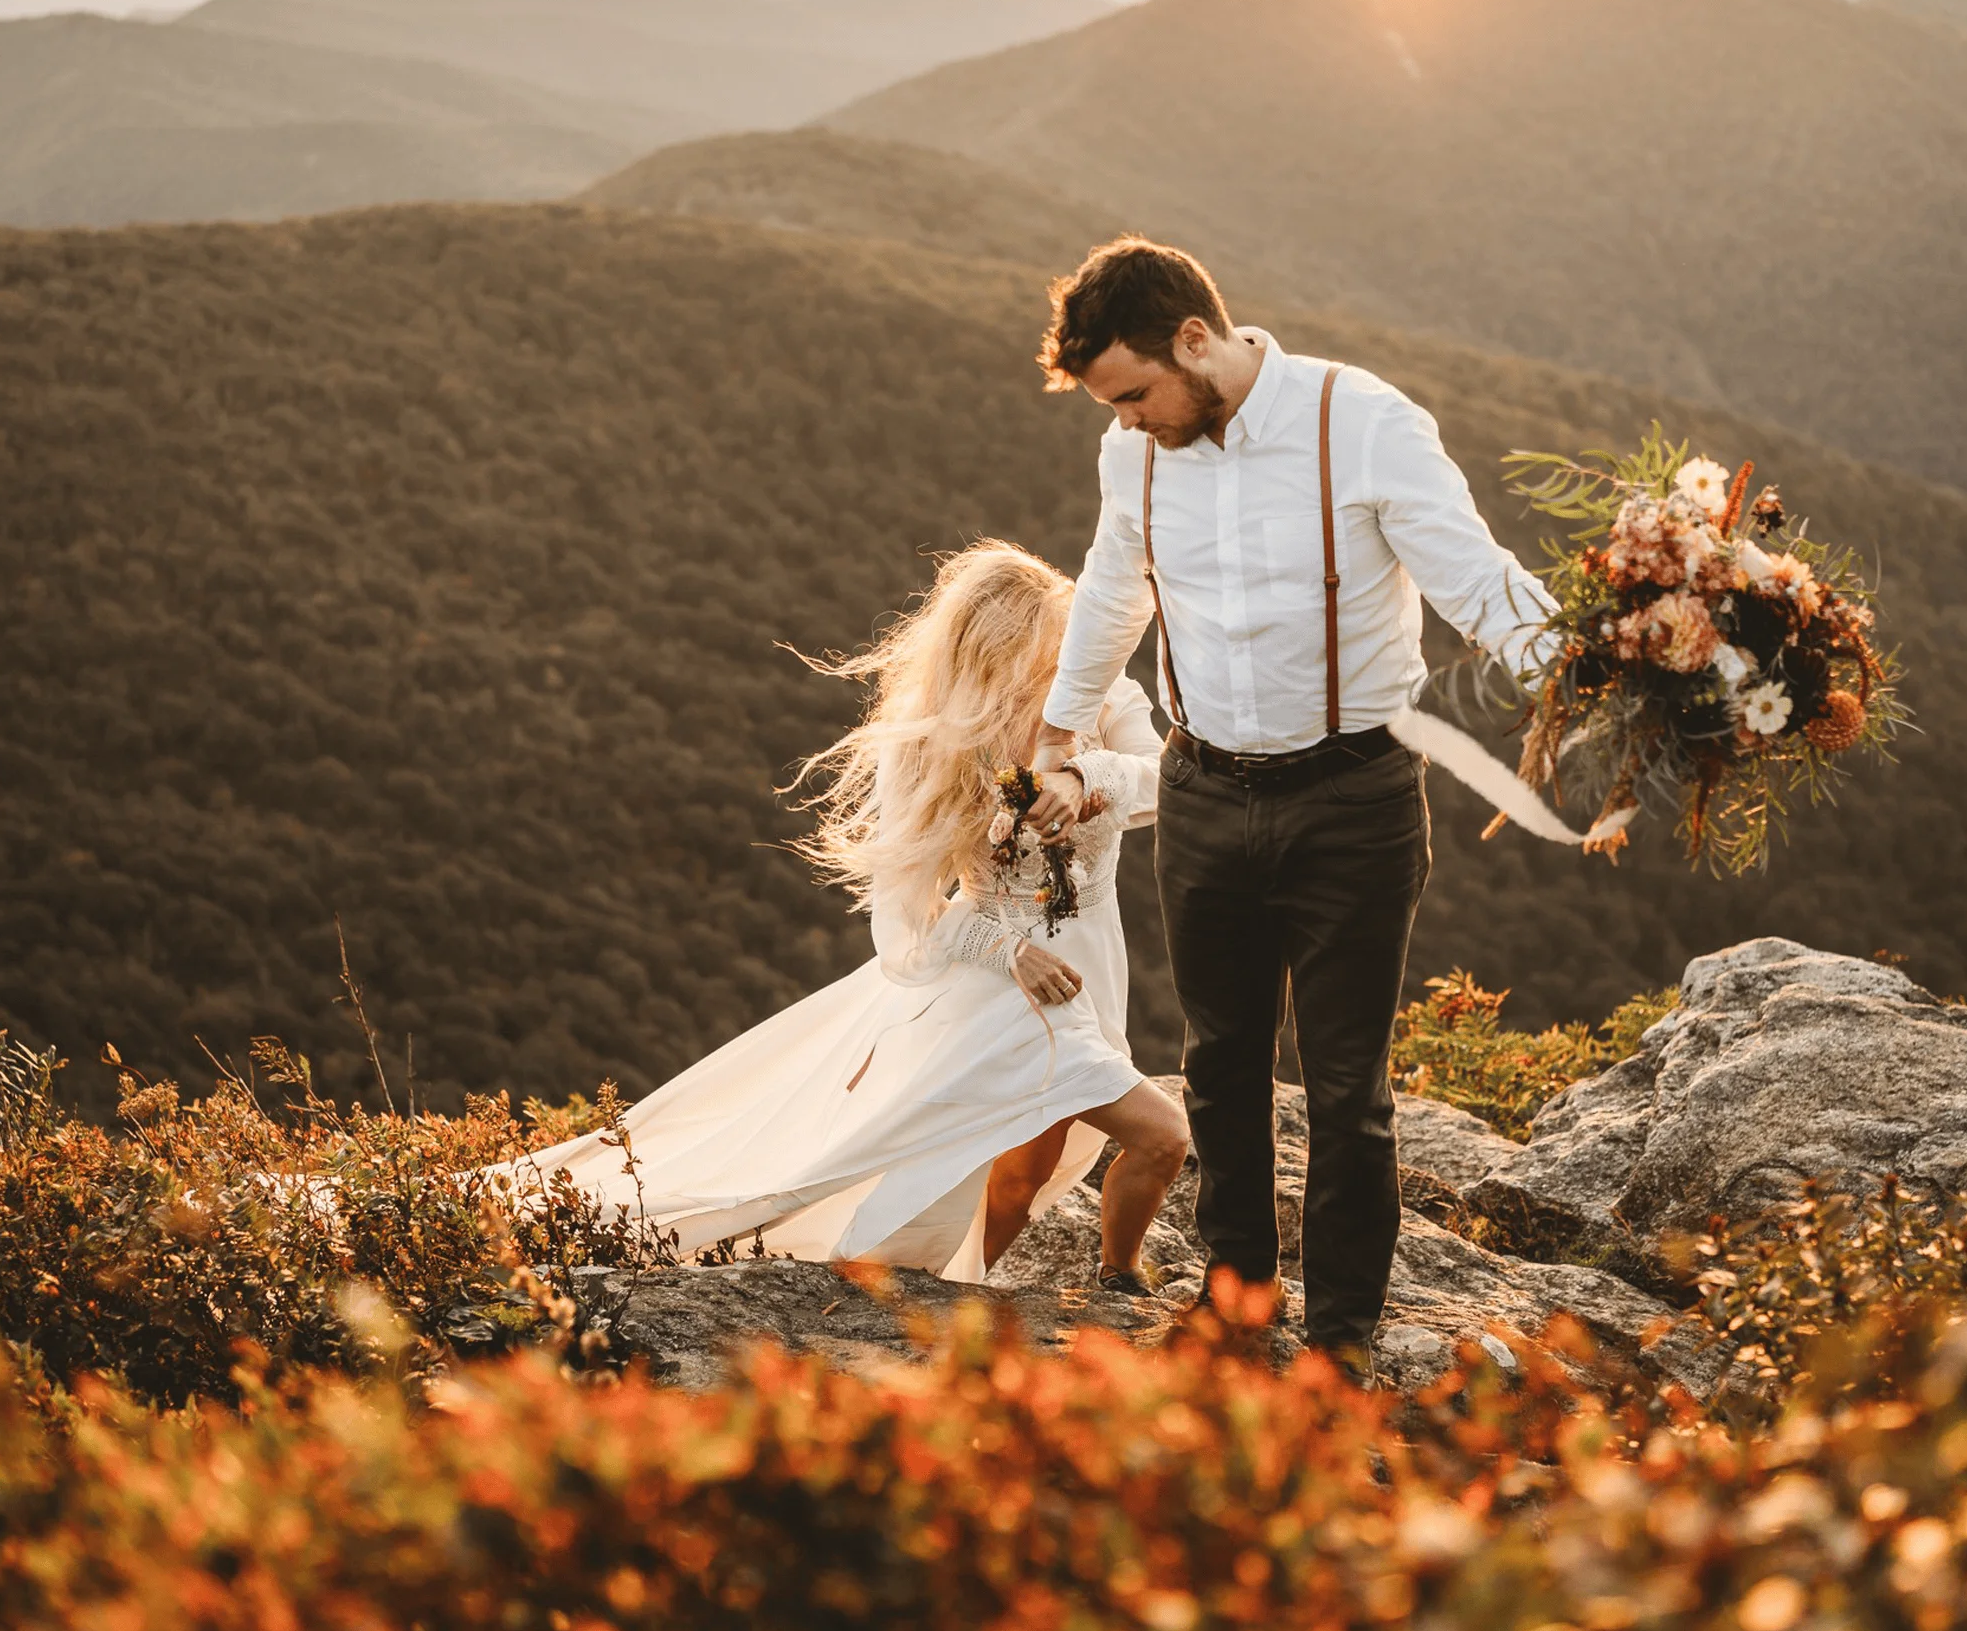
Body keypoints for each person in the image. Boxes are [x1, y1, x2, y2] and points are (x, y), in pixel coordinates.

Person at [1024, 237, 1556, 1368]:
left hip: (1352, 794)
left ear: (1194, 340)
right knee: (1218, 1060)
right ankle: (1234, 1303)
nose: (1125, 422)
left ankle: (1345, 1330)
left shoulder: (1359, 420)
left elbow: (1473, 577)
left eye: (1134, 395)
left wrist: (1589, 665)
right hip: (1203, 786)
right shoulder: (1136, 457)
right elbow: (1116, 589)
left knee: (1347, 1078)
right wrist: (1059, 732)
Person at [515, 541, 1189, 1286]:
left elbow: (1168, 781)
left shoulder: (1095, 695)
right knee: (1160, 1136)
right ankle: (1115, 1283)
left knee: (1025, 1173)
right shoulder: (932, 746)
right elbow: (906, 919)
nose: (1065, 660)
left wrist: (1086, 775)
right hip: (1004, 989)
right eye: (1048, 646)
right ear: (999, 655)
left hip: (1091, 966)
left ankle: (971, 1291)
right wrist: (1011, 953)